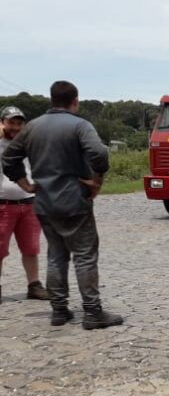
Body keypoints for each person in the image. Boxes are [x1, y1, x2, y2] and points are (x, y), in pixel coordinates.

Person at [1, 80, 123, 329]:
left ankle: (58, 310)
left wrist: (25, 184)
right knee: (85, 256)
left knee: (56, 255)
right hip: (74, 201)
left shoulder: (32, 127)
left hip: (44, 202)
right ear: (75, 101)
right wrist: (97, 181)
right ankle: (92, 312)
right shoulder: (80, 125)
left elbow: (9, 157)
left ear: (51, 100)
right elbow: (99, 153)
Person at [0, 106, 49, 304]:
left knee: (31, 248)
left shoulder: (28, 144)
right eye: (11, 122)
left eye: (19, 123)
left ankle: (34, 285)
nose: (15, 127)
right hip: (3, 204)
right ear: (3, 122)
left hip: (28, 203)